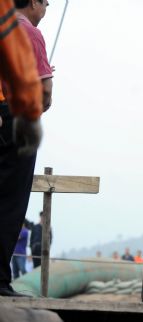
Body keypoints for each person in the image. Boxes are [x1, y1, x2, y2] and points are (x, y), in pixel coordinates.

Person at [0, 0, 44, 297]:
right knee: (9, 203)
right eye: (46, 3)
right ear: (33, 3)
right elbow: (45, 92)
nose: (45, 11)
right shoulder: (27, 31)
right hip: (12, 118)